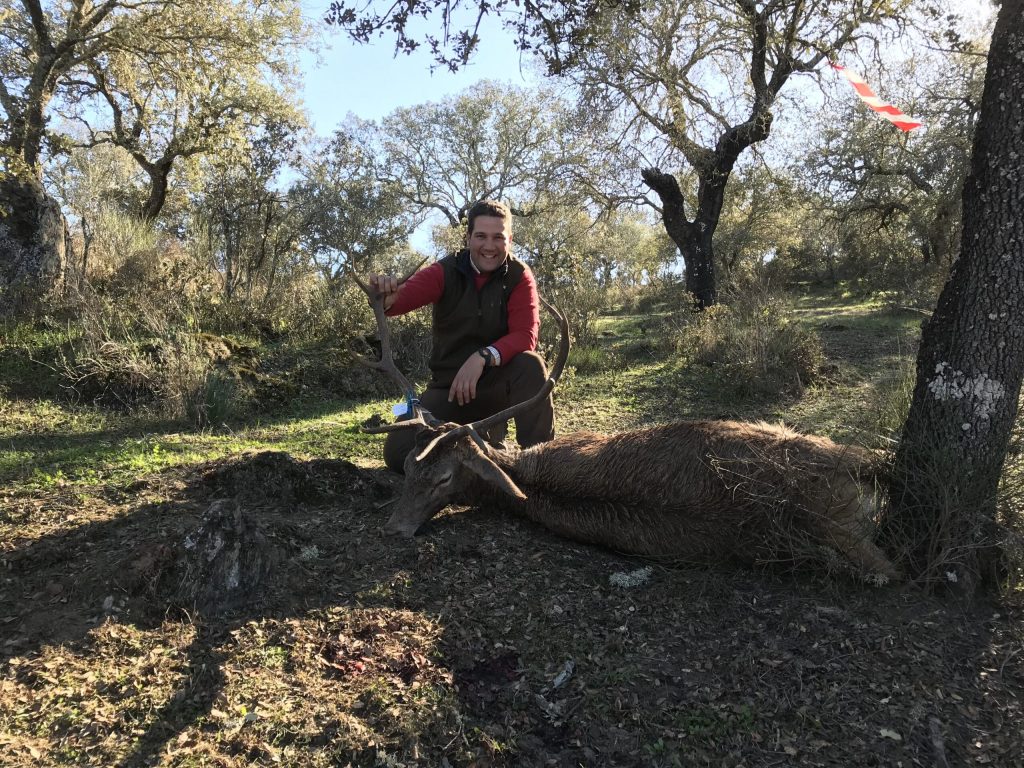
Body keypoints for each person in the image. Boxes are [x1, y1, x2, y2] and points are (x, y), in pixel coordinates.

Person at [370, 199, 555, 473]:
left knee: (531, 365)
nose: (489, 246)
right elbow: (398, 302)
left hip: (497, 389)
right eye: (481, 236)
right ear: (468, 237)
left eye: (498, 237)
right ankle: (476, 452)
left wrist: (483, 357)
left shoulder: (519, 276)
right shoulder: (446, 271)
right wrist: (385, 295)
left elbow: (526, 336)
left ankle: (542, 465)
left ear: (510, 240)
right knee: (398, 454)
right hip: (449, 391)